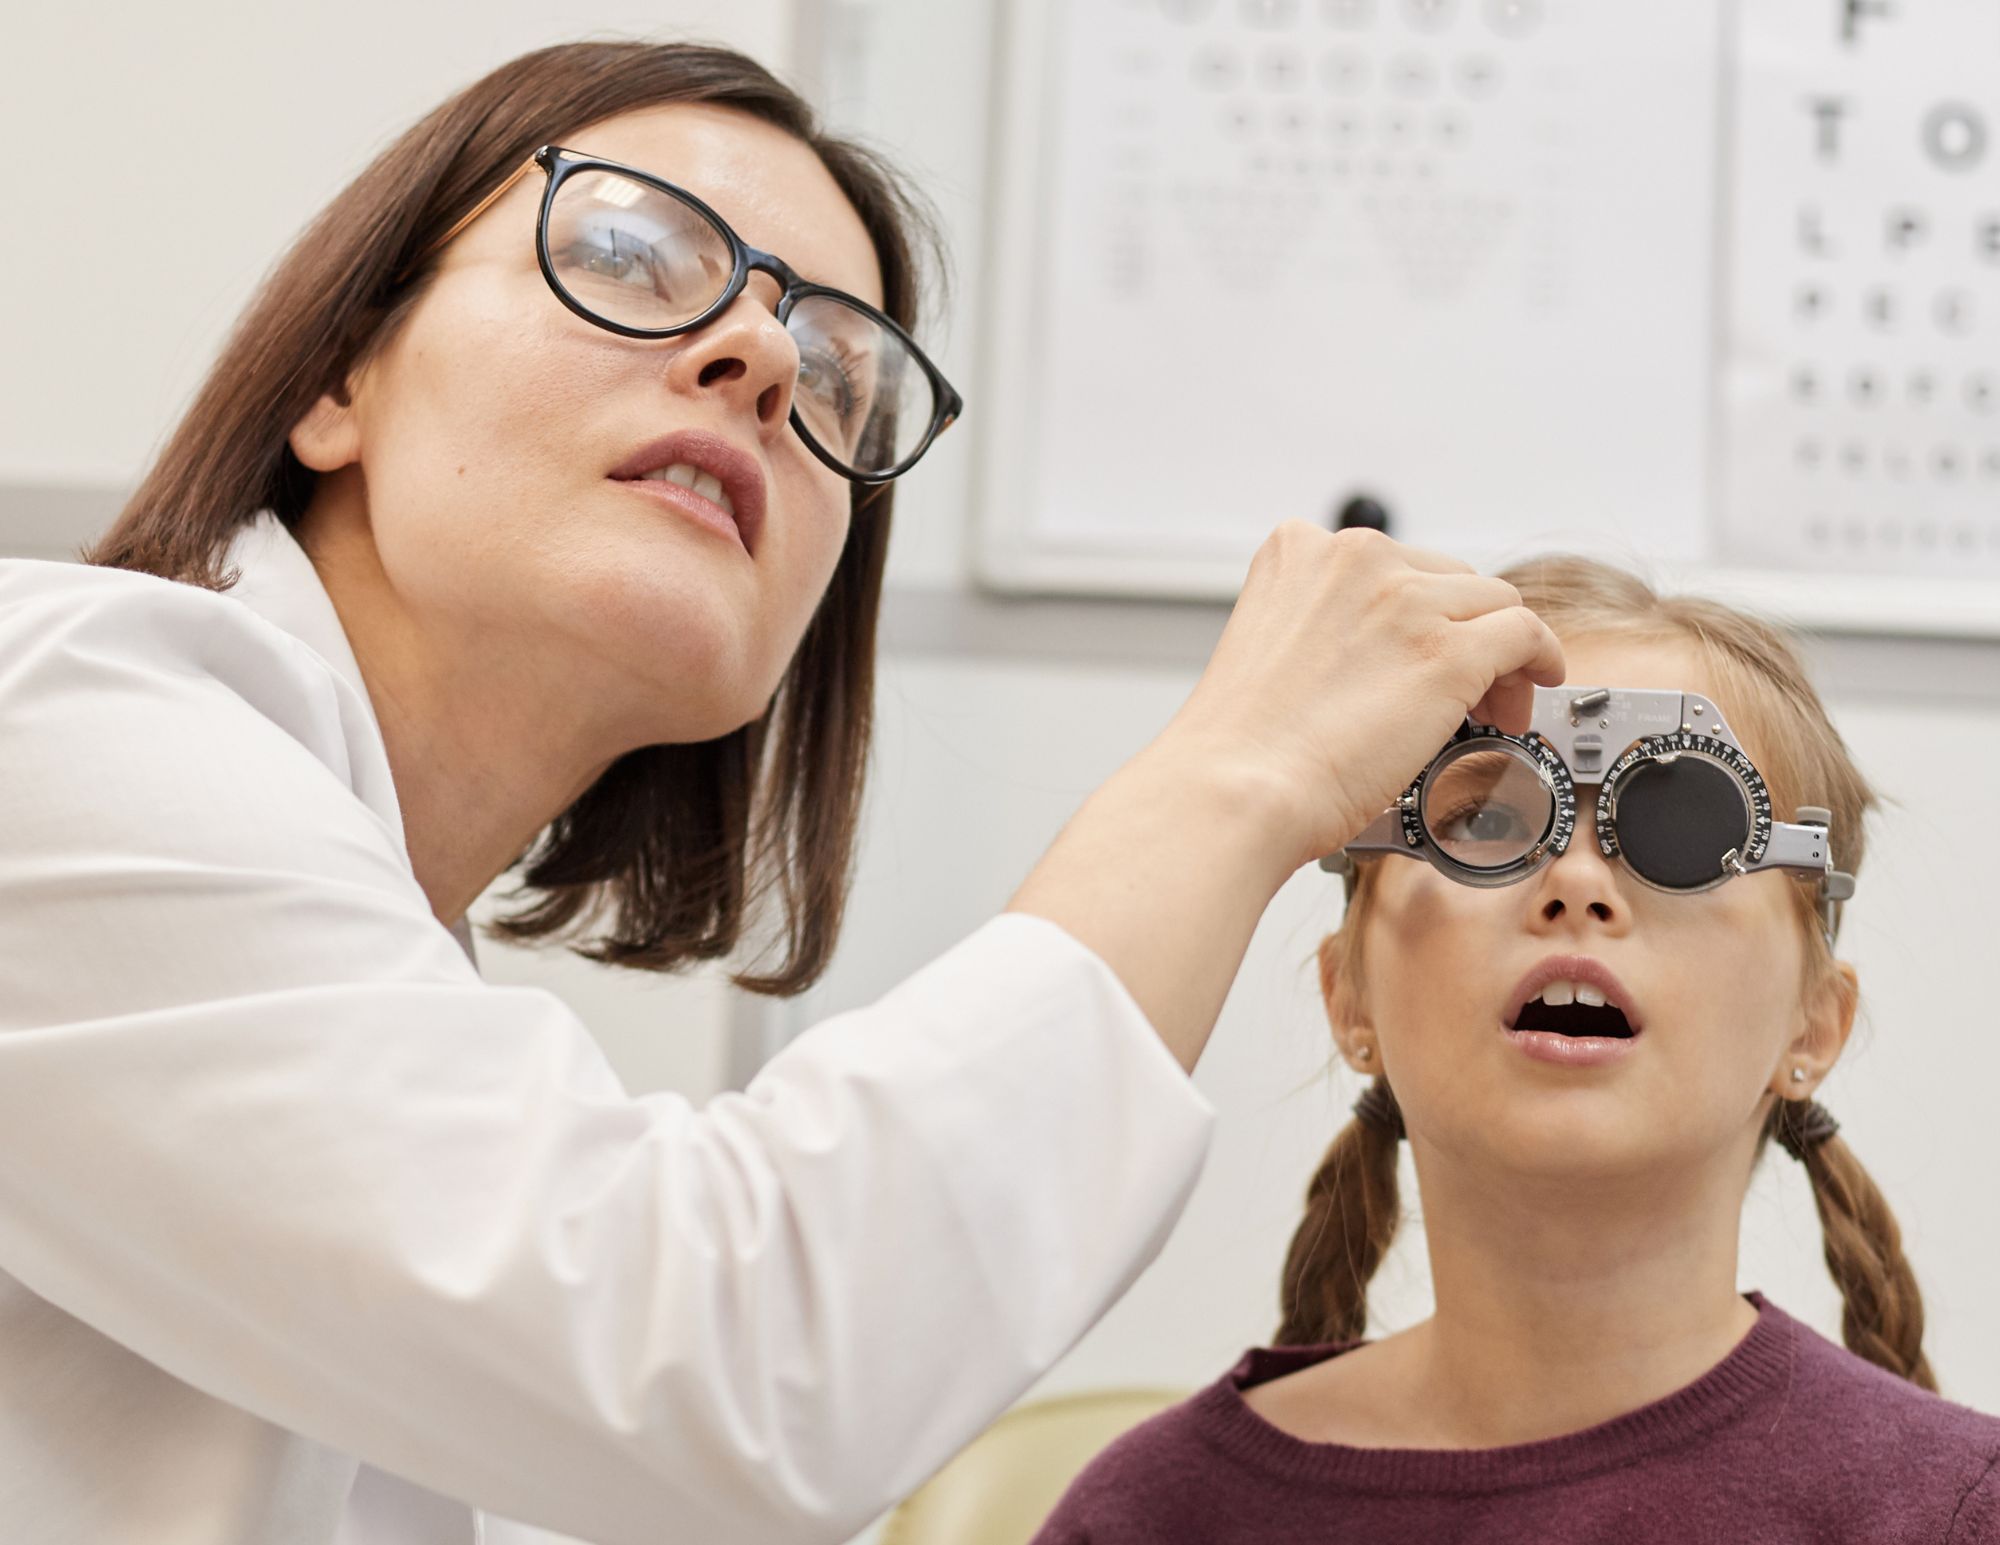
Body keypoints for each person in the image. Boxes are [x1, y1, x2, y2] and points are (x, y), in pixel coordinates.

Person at [0, 39, 1566, 1545]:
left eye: (839, 370)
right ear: (338, 375)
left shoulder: (346, 938)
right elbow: (723, 1365)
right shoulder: (60, 718)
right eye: (627, 251)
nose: (758, 360)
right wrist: (1243, 771)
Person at [1031, 556, 2000, 1544]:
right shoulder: (1154, 1515)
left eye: (1679, 824)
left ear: (1812, 1028)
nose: (1576, 883)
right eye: (1484, 820)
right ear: (1347, 994)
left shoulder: (1953, 1511)